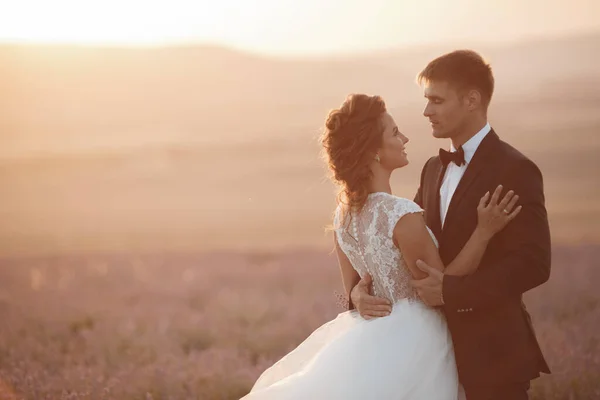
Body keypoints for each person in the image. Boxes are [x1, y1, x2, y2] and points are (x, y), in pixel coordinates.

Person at [240, 92, 520, 400]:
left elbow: (349, 293)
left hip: (371, 338)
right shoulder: (402, 214)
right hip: (418, 343)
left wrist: (358, 298)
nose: (405, 138)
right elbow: (441, 289)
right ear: (374, 150)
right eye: (395, 133)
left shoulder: (343, 215)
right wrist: (484, 232)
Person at [350, 50, 551, 400]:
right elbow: (399, 246)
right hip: (430, 356)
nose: (427, 111)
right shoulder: (433, 168)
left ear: (472, 100)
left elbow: (533, 263)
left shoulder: (515, 169)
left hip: (493, 355)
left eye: (437, 100)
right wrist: (355, 295)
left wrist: (453, 293)